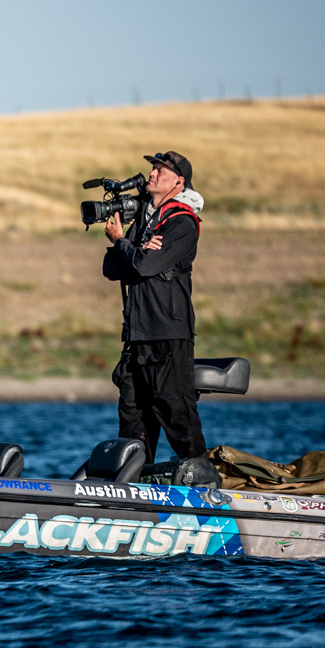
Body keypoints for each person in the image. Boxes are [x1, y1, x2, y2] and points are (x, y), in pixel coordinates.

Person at [102, 150, 207, 464]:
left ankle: (203, 477)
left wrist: (122, 243)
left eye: (161, 170)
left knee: (176, 411)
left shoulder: (182, 222)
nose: (152, 173)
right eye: (154, 168)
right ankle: (133, 480)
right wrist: (134, 248)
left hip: (167, 333)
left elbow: (144, 266)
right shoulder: (146, 220)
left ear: (178, 182)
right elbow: (111, 267)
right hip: (137, 335)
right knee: (131, 415)